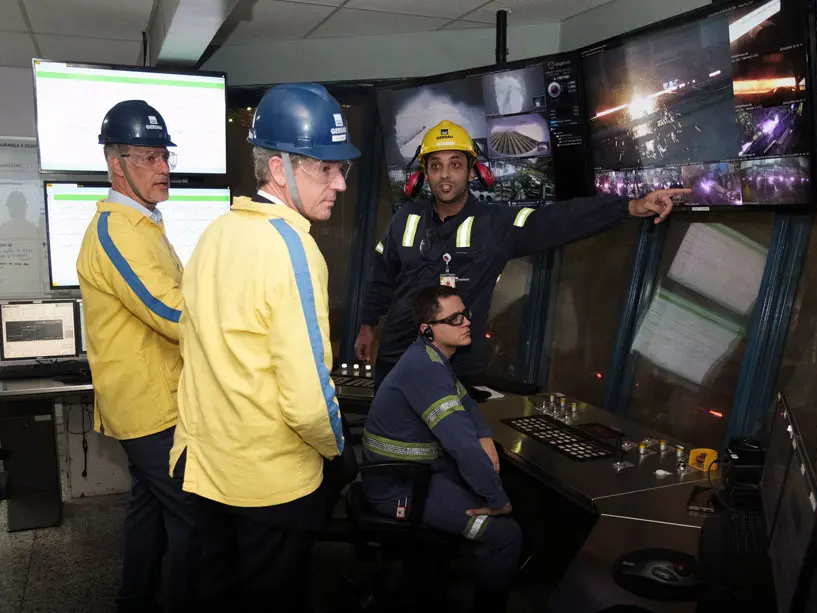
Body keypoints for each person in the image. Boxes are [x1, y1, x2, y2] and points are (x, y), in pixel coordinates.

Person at [168, 83, 359, 611]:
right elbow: (307, 398)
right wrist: (337, 448)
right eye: (325, 168)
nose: (339, 183)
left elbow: (194, 349)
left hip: (207, 473)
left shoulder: (215, 233)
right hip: (271, 486)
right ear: (279, 170)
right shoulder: (294, 250)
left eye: (341, 168)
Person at [355, 119, 690, 389]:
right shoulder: (405, 219)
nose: (445, 175)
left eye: (455, 164)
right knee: (391, 448)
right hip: (397, 359)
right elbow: (382, 276)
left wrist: (630, 207)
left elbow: (560, 220)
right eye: (436, 165)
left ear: (473, 172)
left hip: (454, 370)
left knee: (450, 458)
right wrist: (367, 326)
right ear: (424, 174)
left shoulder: (495, 224)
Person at [75, 100, 194, 612]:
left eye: (163, 155)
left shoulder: (146, 224)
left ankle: (135, 601)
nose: (163, 167)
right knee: (196, 520)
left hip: (160, 397)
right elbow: (171, 316)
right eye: (147, 157)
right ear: (114, 162)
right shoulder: (116, 230)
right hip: (150, 410)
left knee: (147, 512)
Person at [361, 284, 522, 613]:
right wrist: (497, 500)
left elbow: (468, 406)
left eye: (466, 314)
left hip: (417, 477)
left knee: (481, 486)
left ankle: (425, 585)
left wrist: (486, 438)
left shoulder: (431, 358)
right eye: (455, 318)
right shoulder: (425, 369)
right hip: (399, 489)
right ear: (427, 329)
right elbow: (461, 444)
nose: (466, 322)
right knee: (506, 533)